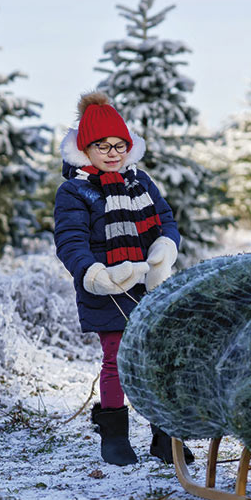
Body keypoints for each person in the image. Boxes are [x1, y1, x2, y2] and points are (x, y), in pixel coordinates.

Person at [54, 91, 194, 467]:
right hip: (108, 289)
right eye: (103, 146)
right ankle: (114, 437)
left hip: (148, 286)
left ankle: (166, 436)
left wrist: (165, 246)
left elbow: (165, 219)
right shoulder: (75, 190)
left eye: (120, 145)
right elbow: (70, 241)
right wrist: (95, 274)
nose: (113, 152)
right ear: (87, 148)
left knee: (158, 357)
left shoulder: (141, 182)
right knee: (116, 358)